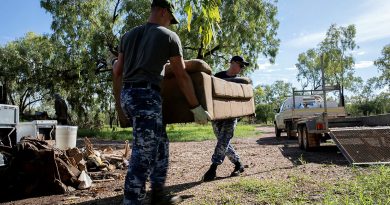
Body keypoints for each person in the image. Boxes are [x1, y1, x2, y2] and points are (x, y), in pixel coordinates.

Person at [112, 0, 210, 204]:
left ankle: (157, 194)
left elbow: (117, 71)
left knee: (160, 143)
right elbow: (181, 74)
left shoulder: (128, 36)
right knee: (144, 150)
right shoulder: (169, 36)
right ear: (164, 11)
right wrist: (196, 106)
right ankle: (131, 200)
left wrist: (121, 104)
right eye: (170, 20)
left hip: (128, 96)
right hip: (146, 97)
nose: (170, 24)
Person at [202, 56, 249, 182]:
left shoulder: (240, 81)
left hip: (232, 116)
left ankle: (213, 168)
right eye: (240, 65)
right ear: (232, 63)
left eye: (243, 66)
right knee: (223, 142)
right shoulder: (218, 76)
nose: (241, 68)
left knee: (223, 140)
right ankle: (239, 164)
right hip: (217, 116)